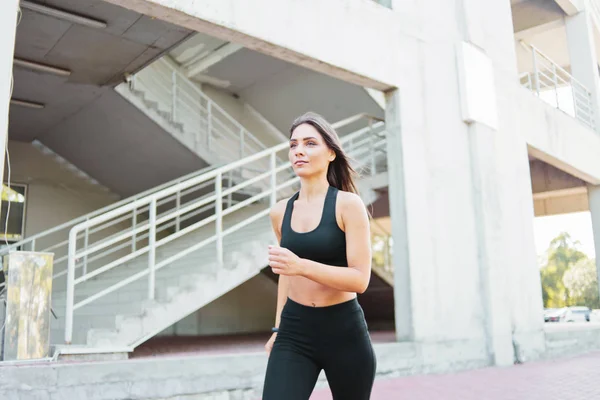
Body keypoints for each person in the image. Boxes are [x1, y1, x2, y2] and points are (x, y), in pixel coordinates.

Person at [262, 112, 376, 400]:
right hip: (294, 331)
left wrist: (300, 265)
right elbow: (286, 275)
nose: (299, 150)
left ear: (330, 154)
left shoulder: (348, 205)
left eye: (310, 143)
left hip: (344, 332)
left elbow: (359, 280)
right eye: (293, 144)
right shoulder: (279, 212)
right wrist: (277, 327)